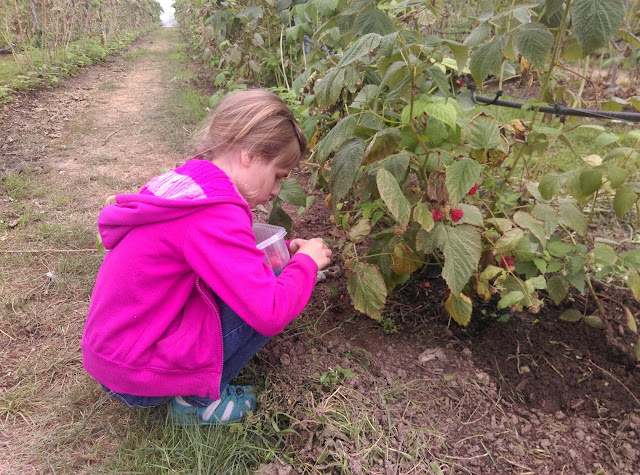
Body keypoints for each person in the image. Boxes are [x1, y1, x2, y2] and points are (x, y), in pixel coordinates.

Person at [81, 89, 332, 425]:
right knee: (270, 289)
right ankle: (198, 403)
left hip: (115, 352)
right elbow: (269, 311)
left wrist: (281, 254)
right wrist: (306, 264)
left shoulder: (191, 186)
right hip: (135, 374)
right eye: (278, 177)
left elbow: (218, 260)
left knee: (266, 270)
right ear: (250, 154)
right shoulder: (216, 214)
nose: (275, 192)